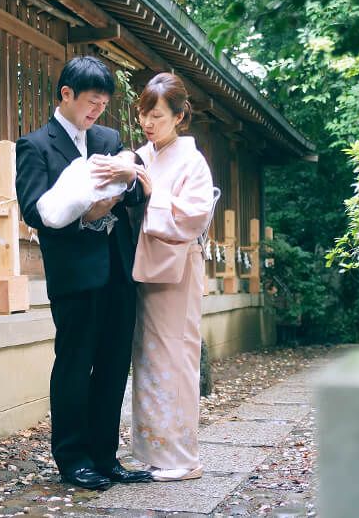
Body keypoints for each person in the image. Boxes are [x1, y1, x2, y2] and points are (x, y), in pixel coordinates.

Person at [15, 56, 153, 491]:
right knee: (76, 363)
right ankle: (72, 458)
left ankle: (105, 456)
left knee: (114, 364)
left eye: (103, 105)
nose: (96, 112)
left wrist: (123, 188)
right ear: (66, 95)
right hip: (75, 272)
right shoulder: (36, 145)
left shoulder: (109, 138)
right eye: (90, 102)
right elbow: (35, 211)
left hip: (118, 265)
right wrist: (83, 212)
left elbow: (132, 194)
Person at [129, 72, 217, 482]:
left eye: (158, 116)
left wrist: (153, 196)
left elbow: (197, 214)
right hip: (146, 267)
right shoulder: (142, 155)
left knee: (177, 356)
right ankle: (155, 452)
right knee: (148, 358)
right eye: (144, 113)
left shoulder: (192, 161)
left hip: (178, 268)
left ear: (180, 117)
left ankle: (184, 458)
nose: (148, 123)